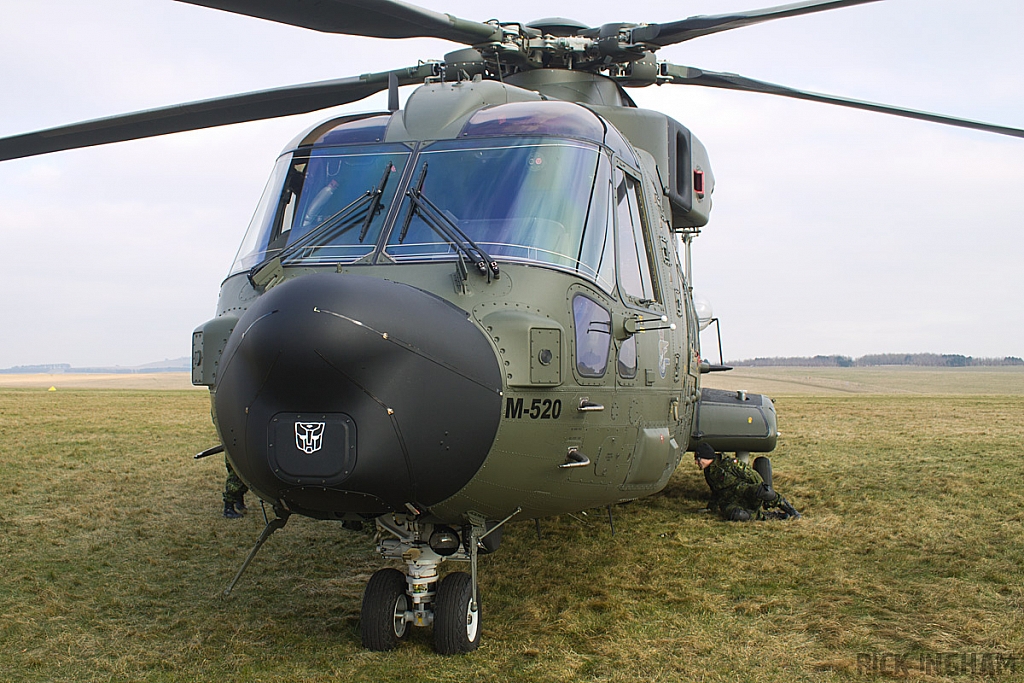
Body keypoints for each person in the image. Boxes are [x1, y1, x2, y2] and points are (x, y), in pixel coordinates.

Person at [694, 442, 800, 521]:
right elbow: (716, 491)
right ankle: (768, 516)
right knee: (737, 515)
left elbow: (753, 476)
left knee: (765, 491)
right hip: (730, 501)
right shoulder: (709, 471)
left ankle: (790, 510)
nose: (696, 463)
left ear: (706, 457)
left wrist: (763, 495)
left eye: (698, 459)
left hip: (746, 493)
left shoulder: (729, 464)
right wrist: (711, 508)